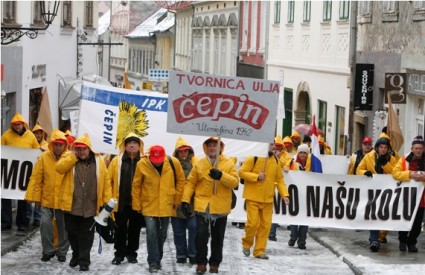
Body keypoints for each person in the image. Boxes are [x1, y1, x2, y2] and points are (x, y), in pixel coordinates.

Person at [180, 136, 239, 274]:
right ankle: (201, 262)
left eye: (215, 145)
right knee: (200, 237)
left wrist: (221, 176)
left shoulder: (229, 163)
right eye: (210, 145)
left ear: (220, 148)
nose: (212, 148)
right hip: (202, 207)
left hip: (221, 207)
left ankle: (214, 263)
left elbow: (235, 182)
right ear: (206, 148)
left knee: (218, 238)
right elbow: (190, 183)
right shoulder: (200, 164)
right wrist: (185, 200)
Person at [55, 133, 112, 271]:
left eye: (84, 149)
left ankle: (84, 260)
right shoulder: (70, 158)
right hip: (72, 205)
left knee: (86, 235)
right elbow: (59, 168)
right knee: (72, 233)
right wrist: (73, 158)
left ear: (89, 149)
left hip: (91, 205)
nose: (81, 152)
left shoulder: (98, 161)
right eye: (78, 149)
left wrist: (106, 201)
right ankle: (76, 254)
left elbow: (105, 182)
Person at [132, 145, 185, 273]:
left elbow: (181, 180)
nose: (157, 163)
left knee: (162, 234)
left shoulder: (173, 162)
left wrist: (177, 200)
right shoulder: (142, 164)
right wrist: (137, 205)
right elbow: (136, 185)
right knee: (151, 233)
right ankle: (153, 261)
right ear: (150, 156)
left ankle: (157, 258)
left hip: (167, 204)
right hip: (148, 204)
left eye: (159, 160)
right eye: (154, 161)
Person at [25, 129, 70, 262]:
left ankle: (62, 252)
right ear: (52, 145)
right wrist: (32, 195)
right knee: (45, 224)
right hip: (47, 198)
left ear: (65, 145)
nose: (58, 147)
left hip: (63, 199)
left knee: (63, 228)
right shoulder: (44, 157)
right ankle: (48, 250)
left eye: (60, 144)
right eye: (55, 144)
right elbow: (36, 177)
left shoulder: (69, 158)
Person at [240, 142, 290, 259]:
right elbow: (241, 172)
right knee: (253, 224)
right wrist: (256, 177)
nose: (273, 147)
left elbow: (280, 180)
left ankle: (259, 251)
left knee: (265, 226)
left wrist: (285, 195)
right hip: (253, 197)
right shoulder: (253, 157)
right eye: (271, 144)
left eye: (274, 145)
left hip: (268, 200)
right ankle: (246, 243)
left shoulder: (276, 161)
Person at [356, 133, 397, 252]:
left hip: (386, 191)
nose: (383, 150)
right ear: (377, 147)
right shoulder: (368, 157)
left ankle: (381, 236)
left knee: (383, 213)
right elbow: (359, 169)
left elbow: (395, 173)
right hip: (372, 189)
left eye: (385, 148)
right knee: (373, 213)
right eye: (381, 147)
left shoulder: (392, 159)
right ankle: (373, 239)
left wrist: (385, 164)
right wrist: (365, 173)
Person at [108, 133, 145, 265]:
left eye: (135, 143)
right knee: (120, 229)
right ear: (125, 145)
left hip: (137, 202)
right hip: (121, 202)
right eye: (129, 143)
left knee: (135, 230)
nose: (132, 145)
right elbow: (109, 181)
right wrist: (110, 198)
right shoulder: (116, 161)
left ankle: (132, 254)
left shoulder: (144, 160)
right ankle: (119, 254)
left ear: (139, 145)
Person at [1, 112, 40, 231]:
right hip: (9, 171)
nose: (17, 127)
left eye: (19, 124)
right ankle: (6, 222)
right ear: (12, 125)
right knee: (6, 197)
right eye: (15, 125)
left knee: (23, 198)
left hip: (24, 172)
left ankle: (22, 223)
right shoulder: (6, 135)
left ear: (23, 124)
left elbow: (36, 151)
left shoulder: (31, 136)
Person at [392, 136, 425, 253]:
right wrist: (410, 175)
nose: (418, 150)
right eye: (416, 148)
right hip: (406, 197)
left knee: (417, 223)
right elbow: (395, 173)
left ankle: (412, 242)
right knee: (404, 220)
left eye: (420, 148)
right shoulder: (404, 159)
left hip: (422, 198)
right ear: (412, 148)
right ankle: (402, 240)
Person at [171, 137, 200, 265]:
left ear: (189, 152)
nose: (183, 154)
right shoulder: (171, 165)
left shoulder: (197, 163)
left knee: (194, 229)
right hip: (176, 204)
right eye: (180, 152)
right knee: (178, 232)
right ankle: (181, 255)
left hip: (192, 204)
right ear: (177, 153)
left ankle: (193, 254)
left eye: (185, 151)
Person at [286, 144, 312, 250]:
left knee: (305, 219)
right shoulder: (292, 162)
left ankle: (302, 241)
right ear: (298, 153)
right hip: (295, 194)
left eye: (305, 153)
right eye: (301, 152)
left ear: (307, 154)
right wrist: (285, 169)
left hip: (307, 194)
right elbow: (284, 169)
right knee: (294, 216)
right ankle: (293, 237)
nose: (302, 154)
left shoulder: (312, 163)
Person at [268, 135, 292, 241]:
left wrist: (285, 194)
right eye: (275, 146)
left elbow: (286, 167)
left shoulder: (285, 156)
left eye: (278, 147)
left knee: (276, 211)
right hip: (268, 190)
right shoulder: (267, 156)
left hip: (281, 188)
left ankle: (271, 232)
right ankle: (270, 232)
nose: (276, 148)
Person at [26, 124, 48, 227]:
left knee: (39, 196)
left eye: (40, 133)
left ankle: (37, 218)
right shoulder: (29, 144)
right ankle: (28, 216)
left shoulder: (47, 145)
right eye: (36, 133)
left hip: (42, 174)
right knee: (29, 195)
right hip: (29, 173)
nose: (38, 135)